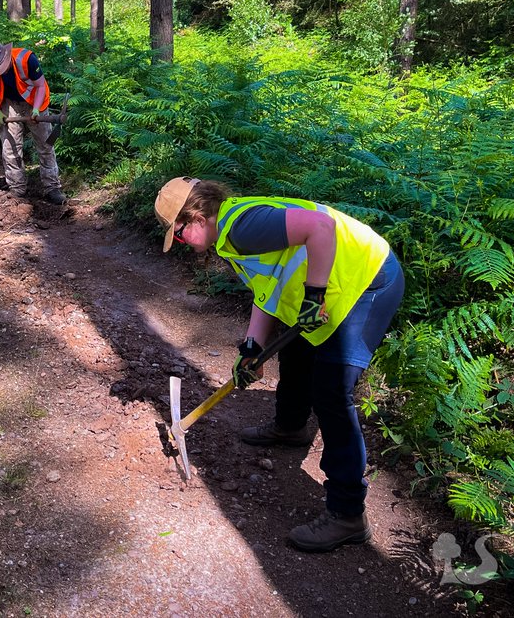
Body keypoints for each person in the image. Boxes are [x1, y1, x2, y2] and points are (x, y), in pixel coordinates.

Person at [155, 176, 404, 552]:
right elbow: (267, 290)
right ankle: (290, 427)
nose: (181, 244)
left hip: (368, 279)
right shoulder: (228, 237)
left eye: (179, 234)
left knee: (332, 392)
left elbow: (321, 227)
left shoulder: (242, 227)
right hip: (335, 281)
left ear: (197, 217)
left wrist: (315, 295)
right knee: (296, 349)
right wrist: (251, 348)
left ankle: (348, 513)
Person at [0, 42, 67, 205]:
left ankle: (52, 187)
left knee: (45, 146)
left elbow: (40, 85)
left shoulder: (26, 59)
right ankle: (17, 189)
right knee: (10, 148)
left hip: (35, 101)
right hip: (8, 103)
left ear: (7, 58)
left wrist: (36, 110)